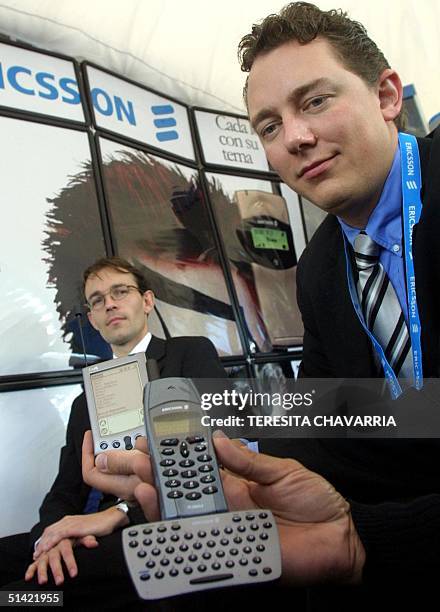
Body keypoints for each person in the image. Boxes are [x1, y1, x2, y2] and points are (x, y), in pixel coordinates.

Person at [76, 2, 440, 609]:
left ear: (386, 96)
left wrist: (363, 542)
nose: (296, 137)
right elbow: (333, 420)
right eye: (269, 126)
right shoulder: (321, 269)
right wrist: (195, 488)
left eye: (315, 101)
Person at [0, 256, 226, 590]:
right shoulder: (83, 402)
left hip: (163, 527)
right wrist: (52, 537)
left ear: (147, 301)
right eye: (98, 300)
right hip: (93, 530)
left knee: (17, 599)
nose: (110, 304)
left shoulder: (190, 355)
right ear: (92, 319)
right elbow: (65, 488)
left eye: (121, 291)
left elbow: (216, 454)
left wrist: (117, 513)